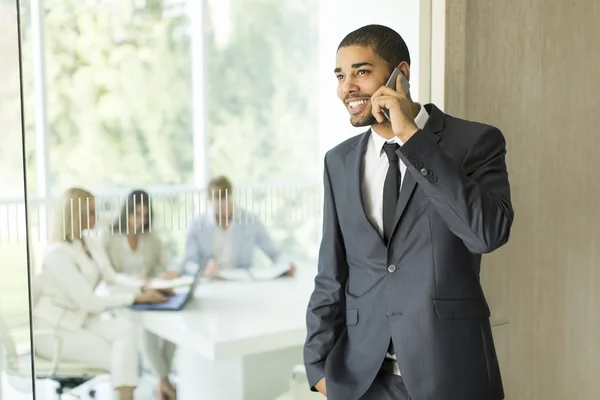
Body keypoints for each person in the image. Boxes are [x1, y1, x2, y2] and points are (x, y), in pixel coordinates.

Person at [304, 24, 513, 400]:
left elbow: (487, 234)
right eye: (340, 75)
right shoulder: (338, 161)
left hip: (450, 373)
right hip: (362, 380)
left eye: (361, 72)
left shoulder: (475, 142)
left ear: (402, 72)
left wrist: (412, 140)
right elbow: (331, 271)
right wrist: (317, 365)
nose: (346, 87)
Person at [33, 188, 169, 400]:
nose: (96, 217)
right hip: (56, 330)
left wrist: (143, 289)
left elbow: (113, 277)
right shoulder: (57, 254)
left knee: (126, 330)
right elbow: (88, 300)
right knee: (122, 356)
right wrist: (134, 298)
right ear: (74, 216)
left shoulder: (89, 243)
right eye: (91, 212)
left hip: (81, 320)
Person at [102, 189, 178, 400]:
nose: (139, 220)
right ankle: (164, 381)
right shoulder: (111, 236)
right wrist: (133, 282)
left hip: (149, 293)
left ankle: (163, 379)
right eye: (136, 214)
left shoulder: (150, 236)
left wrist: (167, 272)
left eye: (144, 215)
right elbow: (106, 274)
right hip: (122, 296)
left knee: (172, 328)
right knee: (147, 330)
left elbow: (165, 262)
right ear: (126, 212)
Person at [180, 175, 296, 278]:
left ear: (232, 195)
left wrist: (286, 265)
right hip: (210, 283)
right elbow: (189, 262)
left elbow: (275, 253)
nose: (224, 205)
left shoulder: (251, 220)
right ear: (210, 200)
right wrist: (203, 270)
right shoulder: (196, 223)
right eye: (219, 201)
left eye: (227, 200)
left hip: (242, 283)